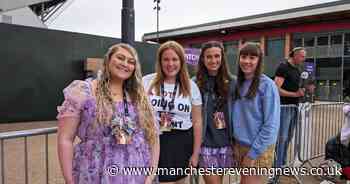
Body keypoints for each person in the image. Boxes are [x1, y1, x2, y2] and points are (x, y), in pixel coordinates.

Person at [57, 43, 160, 184]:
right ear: (108, 60)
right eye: (120, 58)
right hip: (93, 172)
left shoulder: (139, 97)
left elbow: (153, 137)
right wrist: (69, 179)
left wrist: (151, 175)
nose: (125, 64)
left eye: (131, 62)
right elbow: (65, 138)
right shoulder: (83, 91)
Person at [143, 41, 202, 184]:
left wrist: (195, 154)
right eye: (166, 59)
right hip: (155, 141)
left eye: (174, 59)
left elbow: (197, 121)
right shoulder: (146, 82)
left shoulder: (190, 85)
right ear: (160, 61)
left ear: (181, 61)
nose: (170, 64)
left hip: (182, 142)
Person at [231, 42, 280, 184]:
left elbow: (271, 125)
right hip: (240, 146)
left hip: (258, 148)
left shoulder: (267, 85)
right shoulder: (237, 84)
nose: (247, 61)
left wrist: (252, 154)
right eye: (244, 56)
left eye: (252, 57)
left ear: (259, 61)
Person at [193, 41, 236, 184]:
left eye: (217, 56)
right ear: (203, 59)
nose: (213, 60)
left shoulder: (232, 82)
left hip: (225, 143)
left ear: (222, 58)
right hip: (205, 144)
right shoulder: (195, 84)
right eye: (209, 57)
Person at [273, 47, 306, 170]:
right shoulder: (283, 67)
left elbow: (294, 88)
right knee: (282, 138)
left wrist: (301, 91)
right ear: (295, 55)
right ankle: (276, 167)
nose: (304, 59)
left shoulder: (297, 70)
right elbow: (276, 89)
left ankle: (283, 164)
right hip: (284, 108)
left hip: (293, 107)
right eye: (302, 56)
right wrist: (295, 94)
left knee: (288, 137)